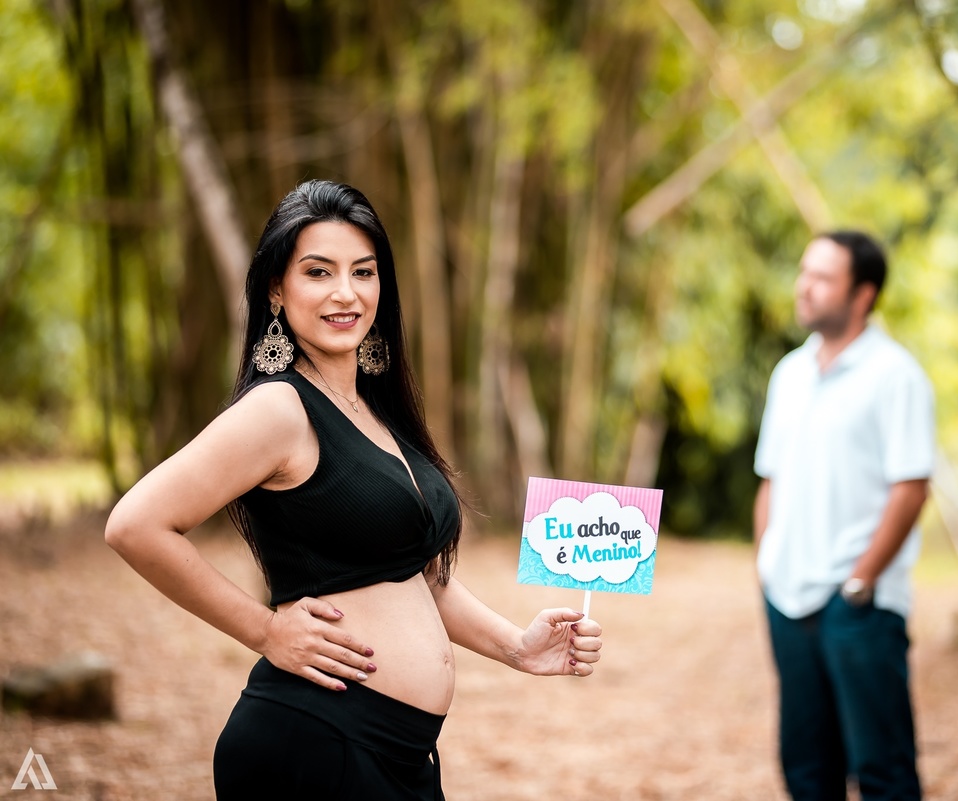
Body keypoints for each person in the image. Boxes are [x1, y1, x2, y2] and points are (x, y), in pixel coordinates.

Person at [105, 180, 603, 799]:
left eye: (363, 272)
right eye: (319, 272)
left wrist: (518, 648)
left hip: (397, 754)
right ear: (276, 290)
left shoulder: (377, 412)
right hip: (316, 742)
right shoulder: (279, 410)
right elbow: (135, 525)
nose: (346, 292)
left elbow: (415, 578)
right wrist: (265, 632)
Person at [753, 231, 934, 801]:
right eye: (804, 271)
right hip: (787, 599)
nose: (804, 286)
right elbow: (770, 480)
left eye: (823, 277)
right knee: (806, 769)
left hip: (858, 605)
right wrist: (767, 568)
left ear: (863, 295)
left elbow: (912, 488)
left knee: (882, 771)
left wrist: (860, 582)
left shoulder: (896, 375)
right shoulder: (789, 373)